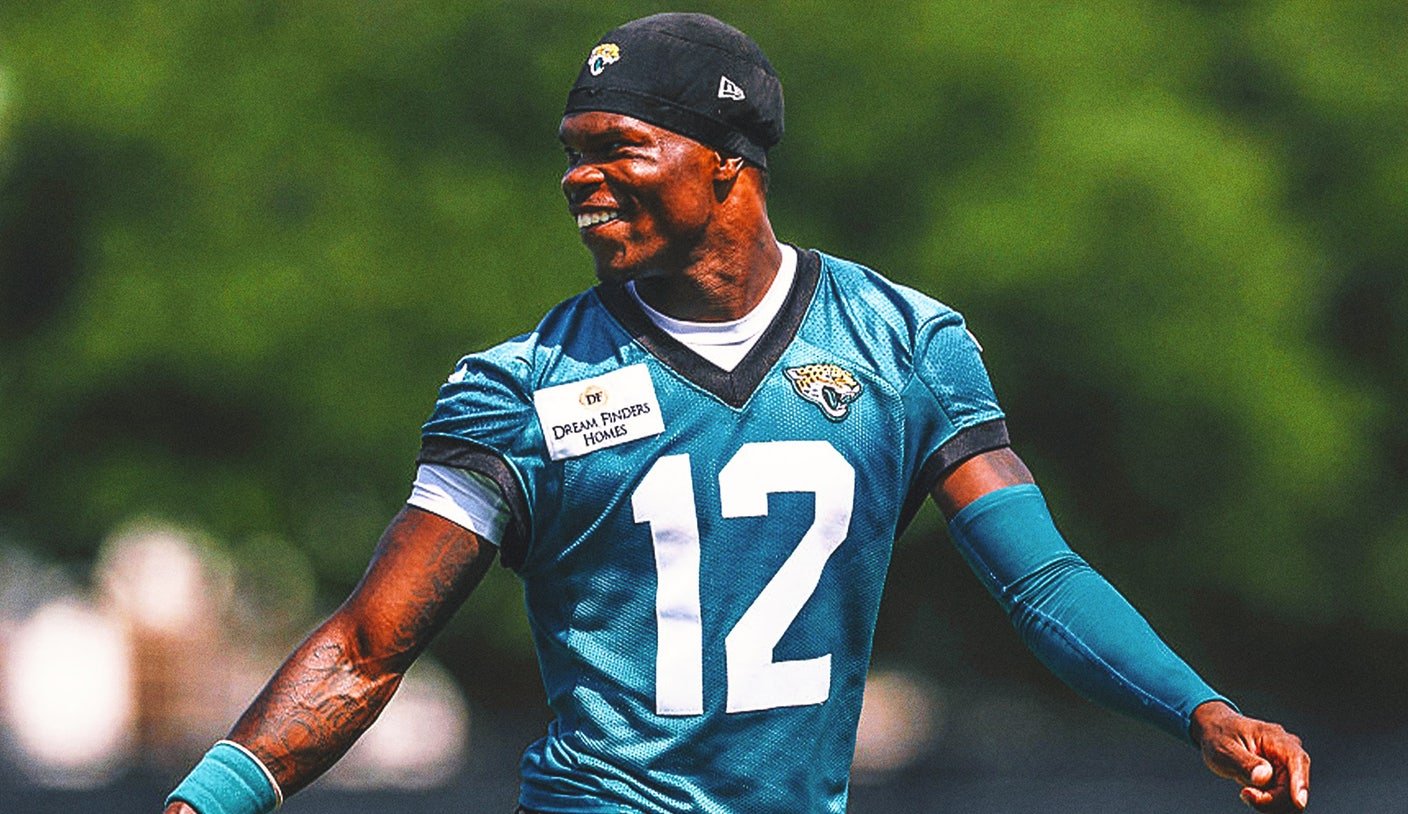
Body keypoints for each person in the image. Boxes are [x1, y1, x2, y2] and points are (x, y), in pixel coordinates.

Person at [164, 12, 1310, 814]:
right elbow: (369, 646)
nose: (578, 178)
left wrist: (1200, 711)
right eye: (570, 154)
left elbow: (1041, 578)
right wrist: (202, 801)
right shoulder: (520, 388)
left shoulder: (904, 346)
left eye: (618, 147)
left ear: (727, 163)